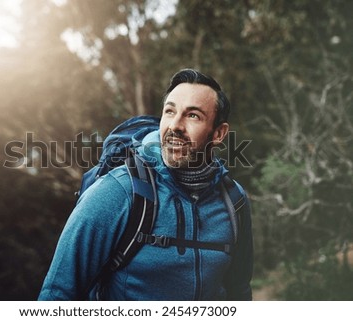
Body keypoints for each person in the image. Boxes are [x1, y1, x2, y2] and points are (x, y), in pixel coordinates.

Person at [38, 69, 253, 300]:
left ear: (219, 133)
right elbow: (57, 295)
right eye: (170, 111)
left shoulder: (233, 201)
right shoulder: (118, 192)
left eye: (193, 116)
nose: (175, 126)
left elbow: (239, 293)